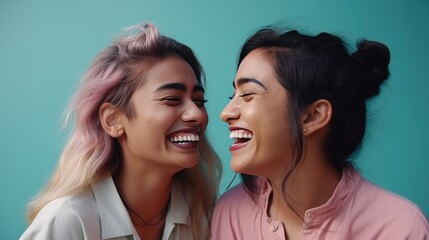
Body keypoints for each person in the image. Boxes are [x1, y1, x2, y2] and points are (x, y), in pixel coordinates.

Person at [211, 26, 429, 239]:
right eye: (233, 96)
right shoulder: (230, 213)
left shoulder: (399, 229)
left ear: (313, 116)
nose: (226, 113)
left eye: (248, 94)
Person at [20, 22, 222, 240]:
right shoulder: (67, 220)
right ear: (113, 120)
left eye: (199, 101)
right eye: (171, 99)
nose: (197, 114)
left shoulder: (205, 216)